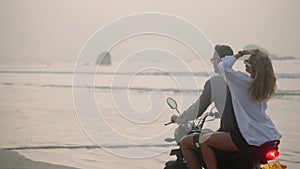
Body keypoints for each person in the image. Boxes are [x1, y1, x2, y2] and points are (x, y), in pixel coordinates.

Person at [196, 49, 282, 169]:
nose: (245, 65)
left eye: (247, 63)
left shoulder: (242, 82)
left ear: (252, 67)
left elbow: (223, 66)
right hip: (268, 136)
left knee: (204, 141)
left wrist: (240, 54)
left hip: (248, 136)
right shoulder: (265, 87)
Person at [170, 44, 235, 168]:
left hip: (233, 134)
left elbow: (197, 109)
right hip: (254, 133)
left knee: (186, 143)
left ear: (221, 60)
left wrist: (179, 118)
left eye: (213, 59)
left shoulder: (215, 82)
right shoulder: (241, 80)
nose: (212, 62)